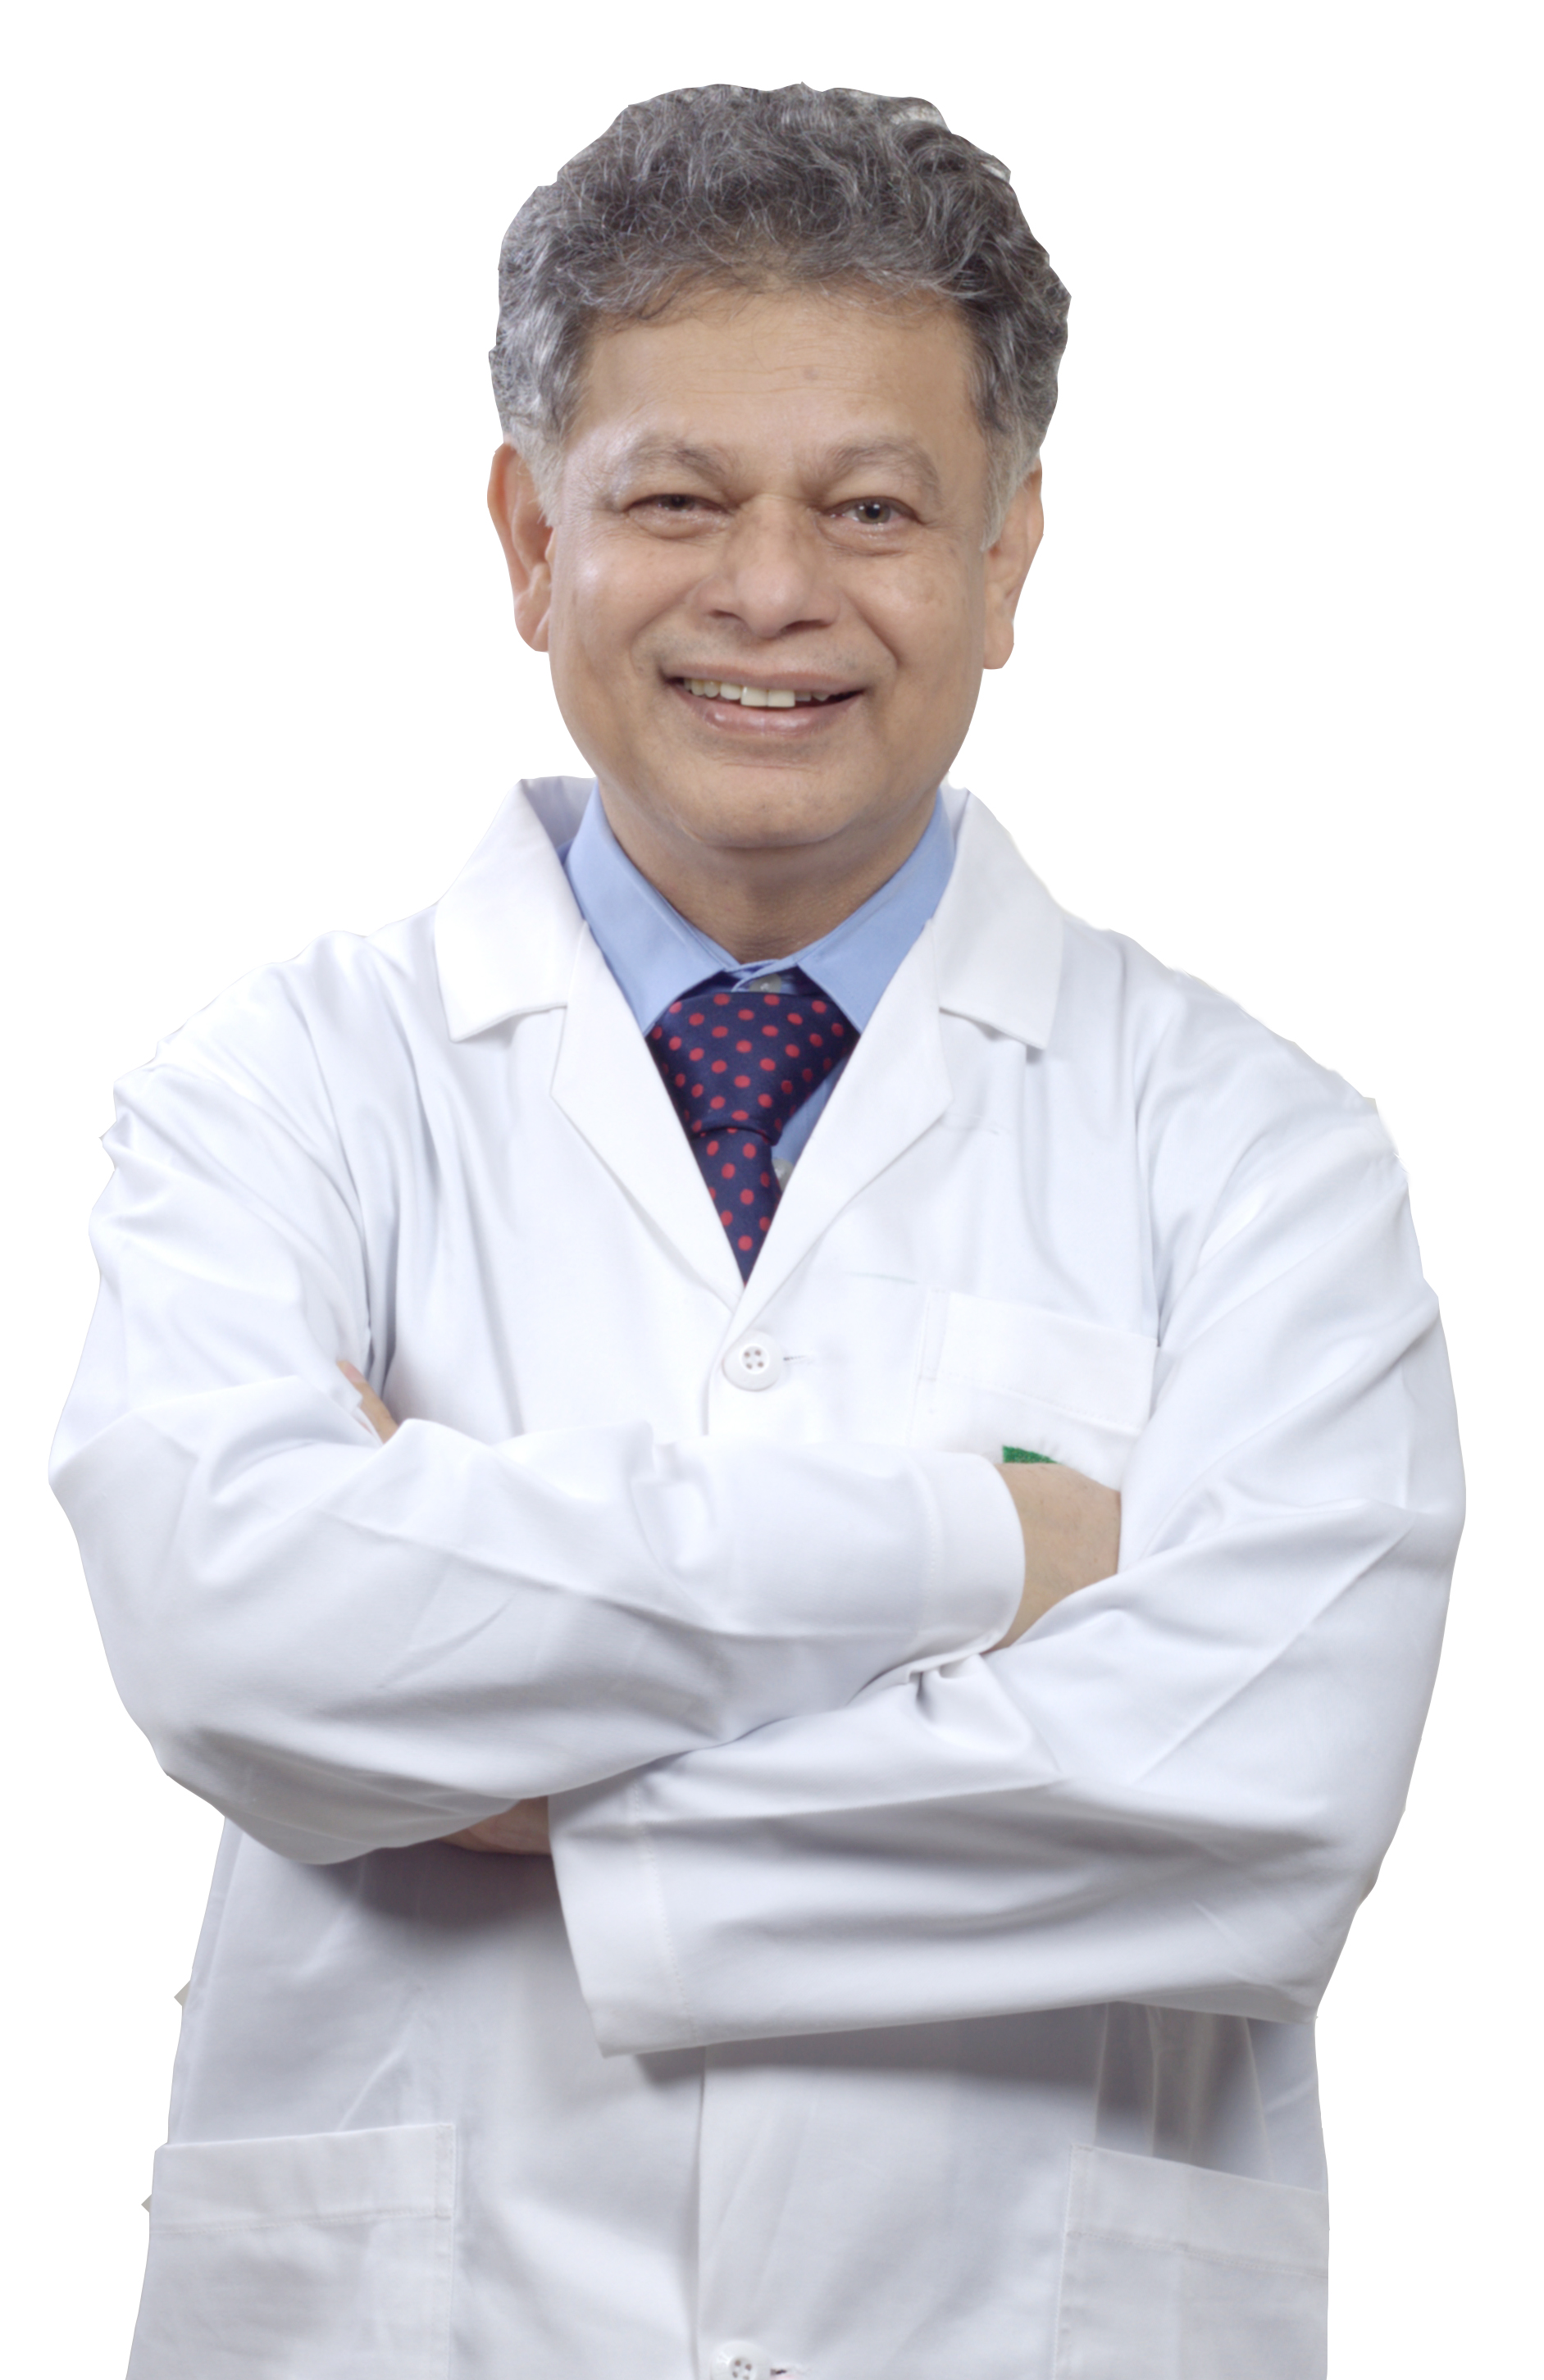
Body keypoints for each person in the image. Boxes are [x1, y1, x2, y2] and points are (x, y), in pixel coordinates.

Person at [52, 83, 1461, 2380]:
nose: (772, 592)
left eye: (874, 507)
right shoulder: (280, 1091)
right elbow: (238, 1632)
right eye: (675, 499)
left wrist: (525, 1775)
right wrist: (992, 1552)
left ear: (1004, 557)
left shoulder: (1258, 1153)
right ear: (532, 541)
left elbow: (1260, 1793)